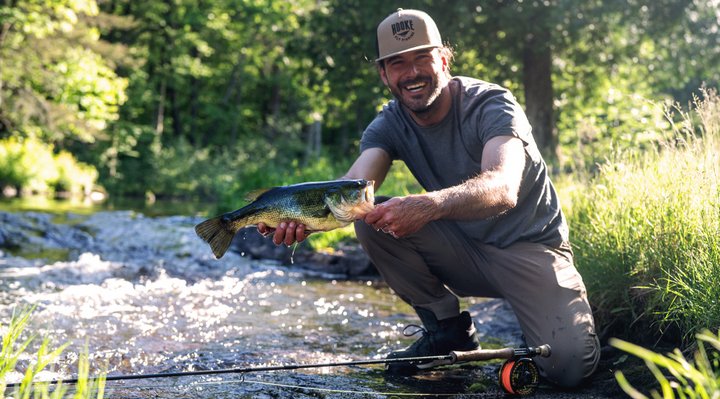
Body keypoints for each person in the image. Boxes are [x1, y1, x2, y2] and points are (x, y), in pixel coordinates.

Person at [258, 8, 600, 388]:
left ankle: (545, 319)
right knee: (371, 217)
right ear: (384, 74)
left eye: (422, 57)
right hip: (461, 252)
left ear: (443, 58)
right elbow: (352, 184)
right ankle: (447, 330)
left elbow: (503, 188)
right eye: (398, 63)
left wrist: (430, 205)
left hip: (530, 251)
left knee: (570, 369)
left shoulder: (491, 104)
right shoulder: (389, 123)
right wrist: (306, 220)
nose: (412, 73)